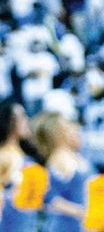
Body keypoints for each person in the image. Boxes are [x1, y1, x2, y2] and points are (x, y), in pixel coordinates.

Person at [30, 110, 92, 232]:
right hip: (69, 226)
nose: (72, 128)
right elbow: (54, 201)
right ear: (57, 132)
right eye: (66, 125)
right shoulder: (59, 157)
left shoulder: (72, 155)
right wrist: (84, 212)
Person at [0, 99, 43, 232]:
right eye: (22, 117)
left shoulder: (25, 154)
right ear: (9, 122)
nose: (26, 121)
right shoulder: (4, 156)